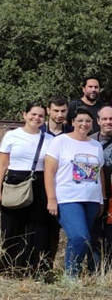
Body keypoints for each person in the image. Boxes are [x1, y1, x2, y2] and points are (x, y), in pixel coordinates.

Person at [44, 108, 105, 277]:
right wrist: (51, 198)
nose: (84, 124)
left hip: (91, 199)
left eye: (87, 121)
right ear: (72, 122)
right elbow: (49, 171)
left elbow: (99, 174)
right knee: (80, 236)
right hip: (68, 198)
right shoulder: (60, 141)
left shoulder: (96, 145)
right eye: (80, 121)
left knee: (83, 238)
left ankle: (74, 272)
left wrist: (102, 199)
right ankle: (71, 274)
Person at [0, 102, 57, 277]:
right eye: (33, 114)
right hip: (15, 182)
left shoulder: (50, 139)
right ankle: (8, 267)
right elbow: (2, 165)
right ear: (24, 115)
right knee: (11, 226)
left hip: (39, 183)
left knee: (36, 228)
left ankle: (31, 268)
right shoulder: (12, 136)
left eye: (40, 115)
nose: (36, 118)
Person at [90, 106, 112, 271]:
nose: (108, 122)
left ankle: (110, 268)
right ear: (98, 121)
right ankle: (94, 268)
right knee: (93, 232)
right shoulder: (89, 140)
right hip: (93, 193)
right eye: (104, 119)